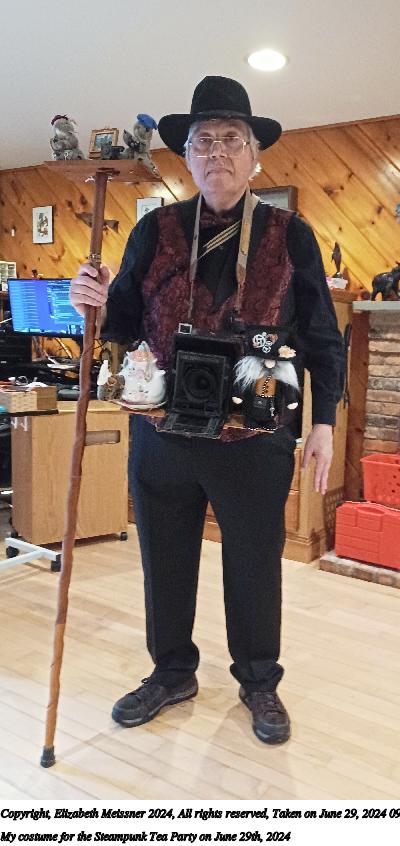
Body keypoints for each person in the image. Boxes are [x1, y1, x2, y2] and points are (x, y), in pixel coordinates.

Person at [69, 75, 344, 745]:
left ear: (255, 156)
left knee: (254, 562)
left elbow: (321, 335)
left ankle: (258, 679)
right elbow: (120, 323)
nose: (217, 151)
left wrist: (324, 424)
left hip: (256, 432)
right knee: (164, 557)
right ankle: (171, 672)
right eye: (203, 140)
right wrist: (90, 301)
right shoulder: (155, 229)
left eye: (231, 138)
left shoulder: (290, 233)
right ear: (187, 157)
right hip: (163, 429)